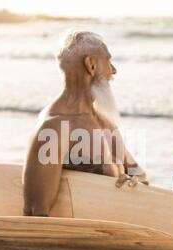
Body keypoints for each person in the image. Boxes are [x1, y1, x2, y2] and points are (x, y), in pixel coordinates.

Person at [23, 31, 148, 217]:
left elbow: (141, 177)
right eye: (108, 61)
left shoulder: (104, 122)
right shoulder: (54, 129)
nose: (114, 70)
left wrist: (132, 182)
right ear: (91, 65)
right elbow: (35, 214)